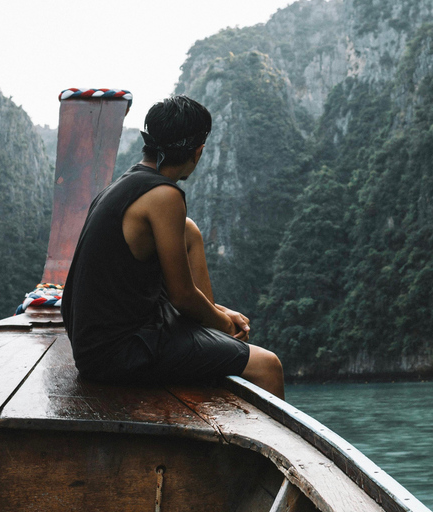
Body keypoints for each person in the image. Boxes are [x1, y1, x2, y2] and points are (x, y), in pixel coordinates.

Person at [61, 95, 284, 399]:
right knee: (268, 366)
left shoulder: (124, 185)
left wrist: (219, 312)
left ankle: (214, 335)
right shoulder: (164, 195)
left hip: (95, 345)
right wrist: (226, 325)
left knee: (189, 230)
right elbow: (181, 296)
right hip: (119, 353)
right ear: (199, 151)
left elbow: (165, 291)